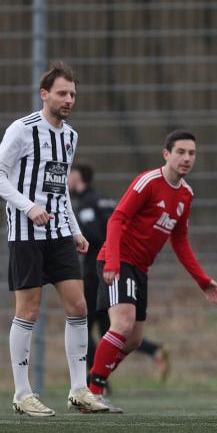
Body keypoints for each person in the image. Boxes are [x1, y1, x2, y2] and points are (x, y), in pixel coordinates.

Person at [0, 61, 109, 416]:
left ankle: (79, 390)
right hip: (26, 233)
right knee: (28, 310)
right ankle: (22, 393)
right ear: (45, 94)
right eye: (62, 93)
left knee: (79, 307)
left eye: (73, 94)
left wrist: (75, 230)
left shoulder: (70, 136)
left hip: (59, 234)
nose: (69, 99)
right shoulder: (22, 130)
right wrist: (28, 208)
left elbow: (60, 189)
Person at [87, 130, 217, 412]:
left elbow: (180, 240)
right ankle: (92, 393)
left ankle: (91, 387)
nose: (186, 158)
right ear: (166, 154)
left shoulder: (186, 194)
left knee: (133, 340)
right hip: (118, 260)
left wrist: (202, 280)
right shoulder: (148, 182)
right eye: (180, 152)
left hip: (140, 269)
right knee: (122, 324)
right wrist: (112, 262)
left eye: (192, 153)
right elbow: (116, 219)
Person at [68, 164, 171, 383]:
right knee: (114, 329)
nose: (66, 180)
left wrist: (75, 239)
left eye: (69, 174)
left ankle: (94, 379)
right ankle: (151, 351)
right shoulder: (106, 199)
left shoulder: (86, 203)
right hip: (119, 266)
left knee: (82, 327)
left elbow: (97, 234)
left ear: (78, 176)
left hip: (100, 270)